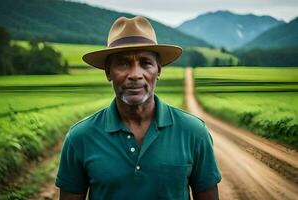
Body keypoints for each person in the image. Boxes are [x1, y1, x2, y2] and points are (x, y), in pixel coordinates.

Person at [55, 16, 221, 200]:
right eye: (123, 63)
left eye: (145, 63)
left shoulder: (194, 132)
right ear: (108, 72)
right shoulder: (80, 137)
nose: (135, 75)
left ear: (158, 70)